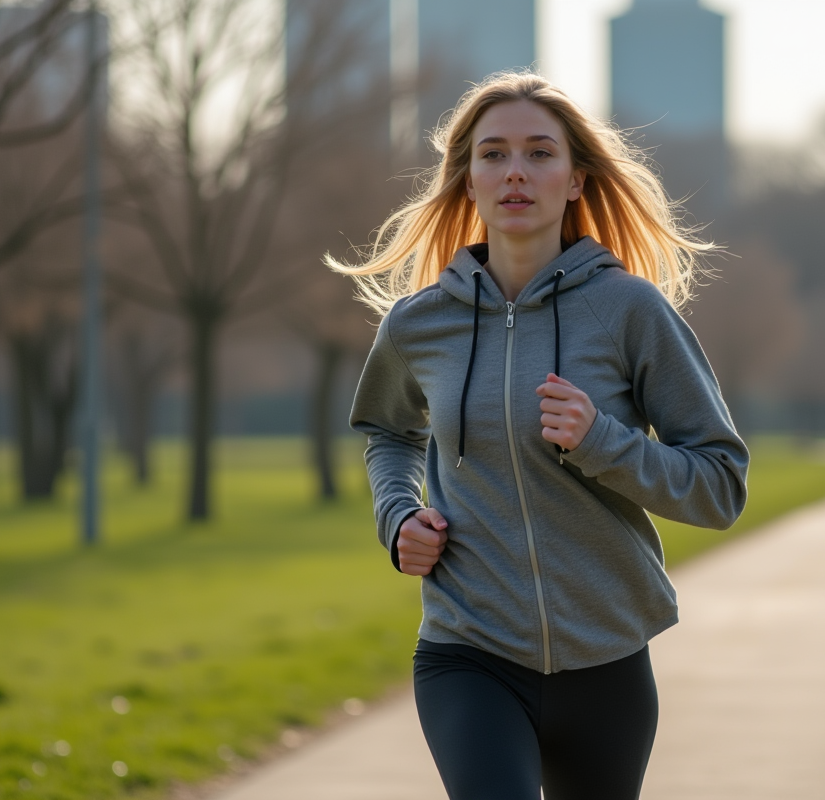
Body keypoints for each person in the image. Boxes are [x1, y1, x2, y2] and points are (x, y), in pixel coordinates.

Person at [330, 72, 749, 800]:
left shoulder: (628, 311)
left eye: (538, 153)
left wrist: (603, 442)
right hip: (469, 651)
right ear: (466, 180)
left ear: (577, 177)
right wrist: (397, 516)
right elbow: (387, 432)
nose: (515, 171)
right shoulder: (418, 323)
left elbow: (720, 487)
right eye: (492, 154)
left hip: (606, 659)